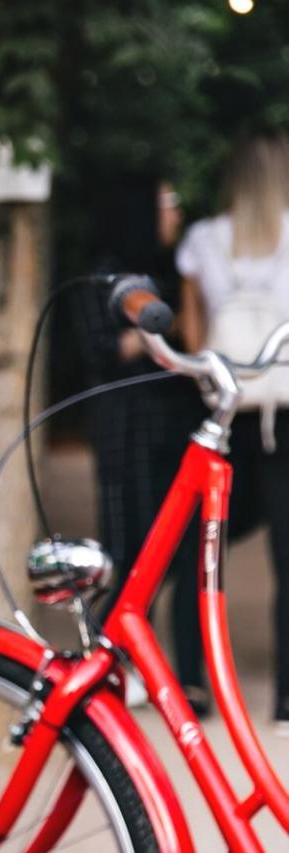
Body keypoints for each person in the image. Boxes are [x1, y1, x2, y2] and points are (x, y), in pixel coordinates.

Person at [76, 175, 212, 714]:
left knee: (174, 548)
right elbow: (99, 349)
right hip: (124, 429)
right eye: (167, 203)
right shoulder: (104, 277)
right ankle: (111, 665)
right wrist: (154, 331)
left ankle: (168, 674)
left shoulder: (168, 271)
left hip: (169, 429)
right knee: (127, 548)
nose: (175, 214)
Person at [175, 132, 289, 732]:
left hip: (225, 411)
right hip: (283, 413)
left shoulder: (203, 240)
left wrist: (211, 379)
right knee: (287, 560)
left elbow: (193, 333)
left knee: (199, 546)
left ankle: (191, 685)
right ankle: (287, 699)